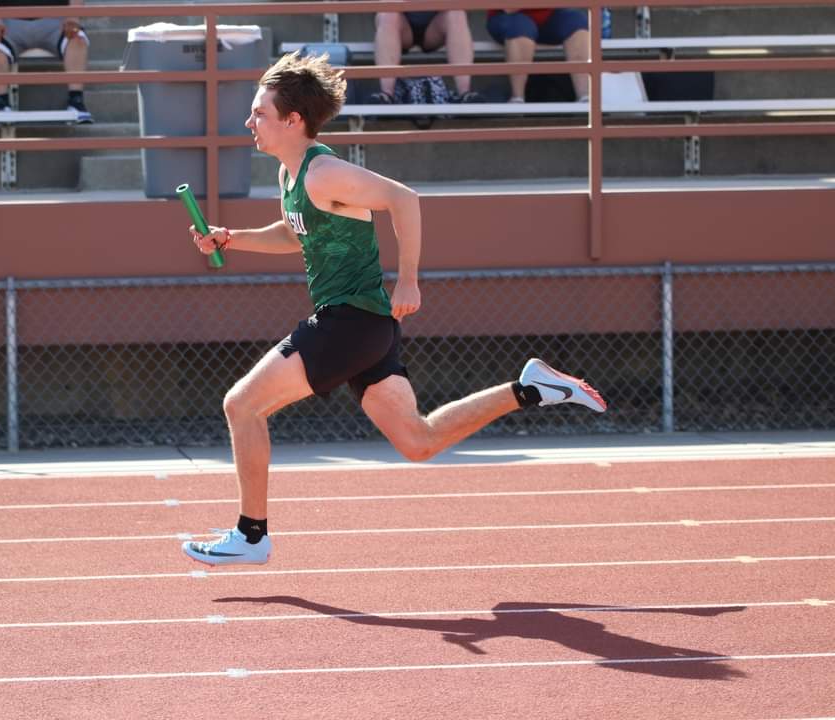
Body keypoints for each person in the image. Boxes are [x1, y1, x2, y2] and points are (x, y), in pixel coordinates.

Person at [181, 52, 606, 567]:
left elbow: (404, 198)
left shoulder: (325, 172)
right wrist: (232, 237)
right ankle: (530, 388)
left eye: (259, 114)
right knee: (419, 440)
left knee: (241, 405)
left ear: (293, 121)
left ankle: (251, 535)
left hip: (350, 322)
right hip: (366, 329)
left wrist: (408, 278)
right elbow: (296, 236)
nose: (250, 123)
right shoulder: (292, 178)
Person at [0, 0, 92, 122]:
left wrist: (73, 15)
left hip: (54, 18)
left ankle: (76, 101)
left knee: (77, 37)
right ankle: (1, 104)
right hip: (9, 20)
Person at [369, 11, 482, 104]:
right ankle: (387, 95)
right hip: (400, 22)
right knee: (387, 15)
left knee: (457, 14)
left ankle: (465, 94)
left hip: (437, 23)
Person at [486, 9, 591, 103]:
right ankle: (517, 98)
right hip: (509, 17)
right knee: (521, 25)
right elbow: (509, 8)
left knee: (576, 20)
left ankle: (585, 96)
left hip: (548, 15)